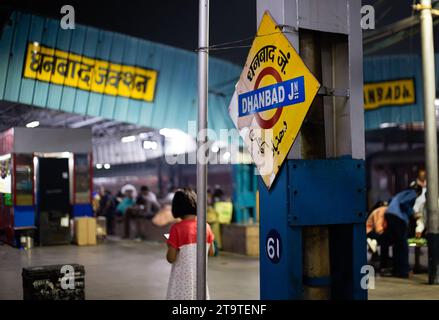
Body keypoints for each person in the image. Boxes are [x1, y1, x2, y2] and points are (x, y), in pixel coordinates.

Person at [166, 189, 214, 300]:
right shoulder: (206, 226)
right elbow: (212, 252)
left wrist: (170, 245)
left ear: (176, 207)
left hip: (181, 282)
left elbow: (171, 258)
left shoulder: (176, 228)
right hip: (200, 280)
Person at [383, 183, 423, 278]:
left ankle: (396, 269)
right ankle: (404, 271)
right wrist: (412, 214)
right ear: (419, 192)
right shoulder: (412, 193)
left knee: (397, 244)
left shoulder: (401, 193)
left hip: (389, 214)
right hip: (398, 217)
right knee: (403, 244)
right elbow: (404, 203)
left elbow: (390, 200)